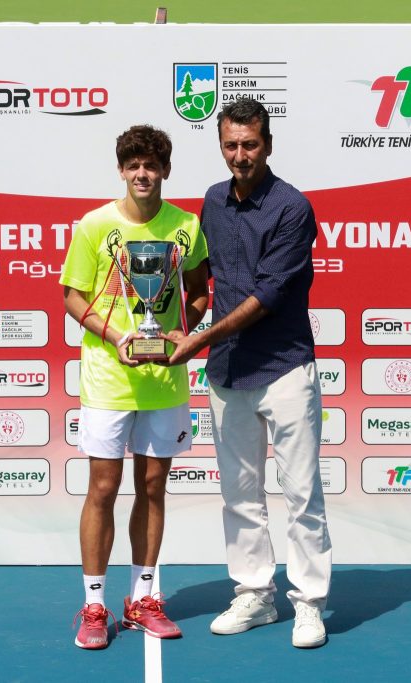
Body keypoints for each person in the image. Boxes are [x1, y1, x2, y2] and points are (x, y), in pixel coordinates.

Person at [165, 99, 331, 648]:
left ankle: (309, 604)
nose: (240, 155)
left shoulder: (292, 208)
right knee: (239, 494)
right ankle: (255, 595)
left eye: (250, 145)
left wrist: (199, 340)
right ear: (221, 146)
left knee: (301, 494)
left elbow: (267, 295)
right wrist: (171, 325)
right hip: (228, 371)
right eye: (231, 145)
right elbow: (201, 280)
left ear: (268, 145)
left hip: (284, 368)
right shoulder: (212, 200)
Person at [60, 125, 209, 650]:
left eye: (151, 165)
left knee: (152, 487)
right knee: (103, 488)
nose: (142, 174)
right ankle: (94, 605)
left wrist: (183, 332)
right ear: (122, 170)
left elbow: (198, 291)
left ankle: (143, 599)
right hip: (108, 376)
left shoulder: (187, 226)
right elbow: (72, 296)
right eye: (133, 165)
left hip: (164, 379)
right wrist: (117, 336)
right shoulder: (95, 225)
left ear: (165, 170)